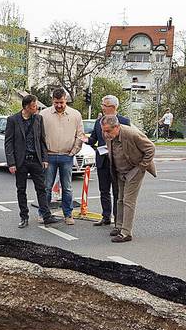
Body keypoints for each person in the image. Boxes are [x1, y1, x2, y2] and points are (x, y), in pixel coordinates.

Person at [5, 94, 58, 228]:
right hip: (20, 161)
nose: (37, 108)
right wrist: (11, 163)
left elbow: (42, 140)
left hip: (36, 159)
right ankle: (24, 217)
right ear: (27, 107)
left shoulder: (38, 119)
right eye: (34, 106)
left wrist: (45, 158)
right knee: (21, 189)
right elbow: (8, 143)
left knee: (42, 188)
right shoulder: (13, 120)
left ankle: (46, 216)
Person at [102, 115, 156, 242]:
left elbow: (150, 148)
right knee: (120, 199)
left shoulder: (132, 134)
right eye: (103, 130)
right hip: (120, 171)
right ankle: (119, 226)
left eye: (108, 131)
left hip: (134, 170)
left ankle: (126, 233)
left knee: (128, 201)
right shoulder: (109, 134)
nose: (105, 134)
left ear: (117, 127)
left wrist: (142, 167)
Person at [40, 88, 86, 225]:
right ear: (52, 101)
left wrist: (73, 151)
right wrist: (43, 155)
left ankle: (68, 214)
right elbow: (39, 136)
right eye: (56, 102)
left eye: (61, 102)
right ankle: (44, 213)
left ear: (66, 99)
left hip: (67, 156)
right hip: (49, 155)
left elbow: (80, 135)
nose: (59, 105)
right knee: (46, 187)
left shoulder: (75, 115)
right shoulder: (43, 114)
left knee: (67, 187)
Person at [86, 95, 130, 226]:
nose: (102, 108)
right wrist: (85, 139)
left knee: (117, 192)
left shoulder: (124, 121)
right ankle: (106, 216)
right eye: (102, 105)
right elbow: (94, 139)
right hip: (102, 161)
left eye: (104, 105)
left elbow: (126, 141)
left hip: (117, 162)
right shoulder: (98, 121)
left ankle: (118, 220)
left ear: (113, 107)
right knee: (104, 191)